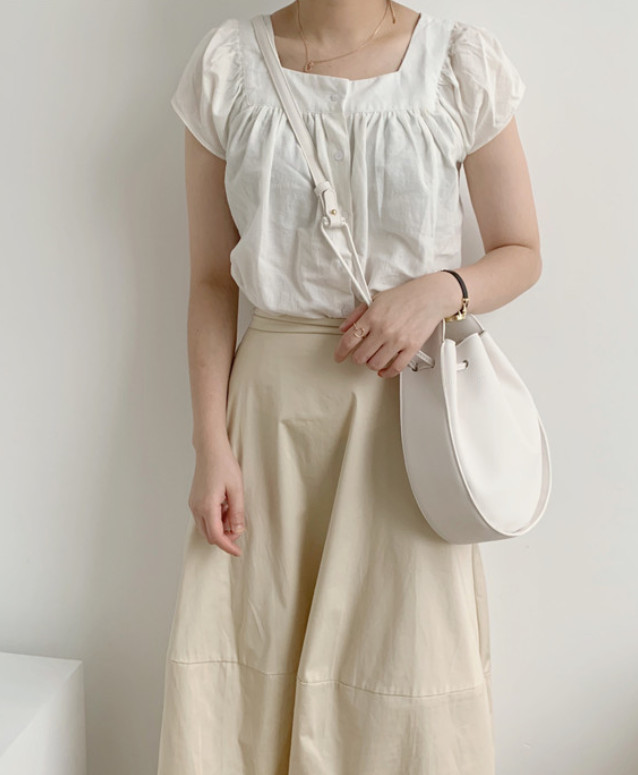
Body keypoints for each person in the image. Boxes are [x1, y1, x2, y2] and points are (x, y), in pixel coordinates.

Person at [157, 1, 542, 773]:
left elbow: (520, 250)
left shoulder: (457, 62)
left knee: (404, 663)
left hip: (409, 420)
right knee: (246, 672)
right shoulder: (227, 66)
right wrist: (209, 444)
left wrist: (439, 290)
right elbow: (210, 281)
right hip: (268, 422)